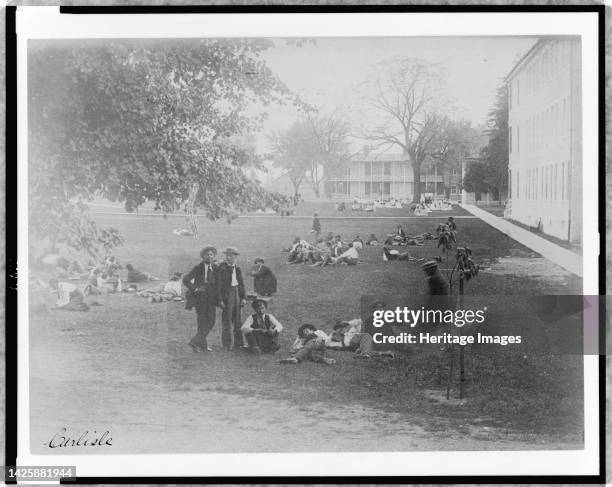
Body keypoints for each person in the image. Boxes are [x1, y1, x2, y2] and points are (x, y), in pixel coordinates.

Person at [183, 246, 219, 352]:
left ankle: (196, 342)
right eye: (207, 255)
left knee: (211, 321)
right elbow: (186, 279)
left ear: (214, 256)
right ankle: (201, 345)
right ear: (203, 257)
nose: (209, 256)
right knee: (202, 321)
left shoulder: (216, 268)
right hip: (200, 298)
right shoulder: (198, 268)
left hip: (212, 299)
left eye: (211, 254)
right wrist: (195, 288)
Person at [217, 247, 246, 350]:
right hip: (227, 295)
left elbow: (241, 283)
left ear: (235, 257)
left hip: (236, 293)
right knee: (227, 320)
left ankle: (239, 343)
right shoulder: (222, 268)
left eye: (232, 255)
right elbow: (219, 285)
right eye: (227, 255)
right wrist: (220, 299)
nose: (229, 258)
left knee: (238, 320)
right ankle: (226, 344)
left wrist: (243, 297)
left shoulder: (237, 268)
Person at [328, 318, 394, 359]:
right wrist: (332, 334)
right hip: (353, 342)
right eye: (339, 329)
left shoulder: (353, 329)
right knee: (367, 336)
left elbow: (359, 321)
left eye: (343, 327)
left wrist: (348, 323)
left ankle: (385, 353)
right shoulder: (344, 335)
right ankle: (364, 353)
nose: (341, 329)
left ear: (346, 327)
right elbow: (328, 343)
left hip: (359, 344)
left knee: (367, 348)